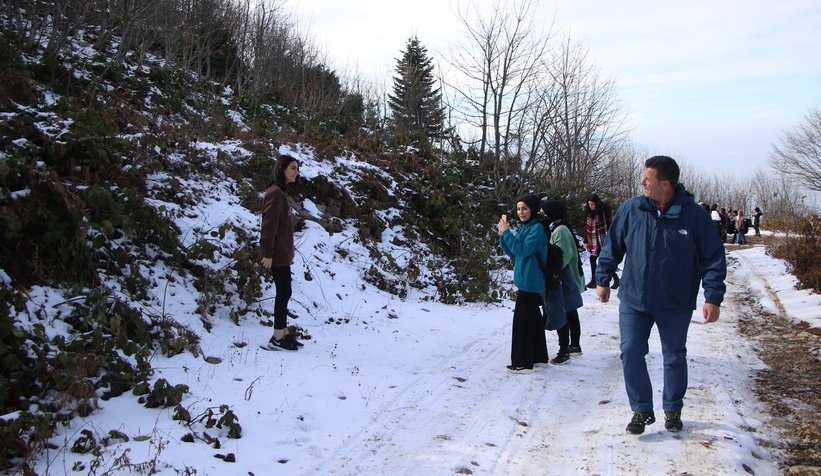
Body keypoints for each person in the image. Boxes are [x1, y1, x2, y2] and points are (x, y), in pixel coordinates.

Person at [595, 156, 726, 435]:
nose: (642, 181)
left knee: (674, 356)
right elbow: (612, 246)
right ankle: (641, 410)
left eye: (648, 178)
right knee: (630, 352)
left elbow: (713, 258)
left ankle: (673, 408)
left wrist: (712, 297)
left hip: (674, 303)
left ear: (665, 184)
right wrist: (602, 278)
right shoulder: (632, 209)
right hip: (634, 300)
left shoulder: (694, 216)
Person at [498, 194, 549, 374]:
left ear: (533, 209)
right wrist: (503, 236)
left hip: (531, 281)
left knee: (522, 323)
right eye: (519, 209)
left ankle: (523, 361)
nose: (521, 212)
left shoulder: (536, 229)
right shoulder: (524, 228)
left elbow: (523, 249)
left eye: (525, 208)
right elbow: (514, 253)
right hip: (526, 281)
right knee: (532, 320)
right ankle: (539, 356)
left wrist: (507, 234)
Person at [260, 154, 303, 351]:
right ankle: (277, 337)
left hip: (281, 253)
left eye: (297, 168)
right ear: (282, 169)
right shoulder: (275, 193)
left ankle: (283, 332)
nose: (296, 171)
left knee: (285, 292)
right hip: (276, 254)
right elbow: (268, 226)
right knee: (283, 292)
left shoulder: (279, 192)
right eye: (293, 168)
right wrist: (267, 253)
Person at [541, 199, 585, 363]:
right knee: (570, 311)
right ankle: (574, 345)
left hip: (566, 279)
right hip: (568, 277)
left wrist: (551, 270)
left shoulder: (559, 230)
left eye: (545, 211)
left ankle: (567, 348)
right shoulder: (560, 227)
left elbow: (562, 257)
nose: (542, 214)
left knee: (566, 312)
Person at [584, 193, 620, 290]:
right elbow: (587, 229)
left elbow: (609, 227)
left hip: (604, 240)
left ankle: (614, 279)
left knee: (603, 260)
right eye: (589, 204)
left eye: (592, 204)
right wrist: (586, 240)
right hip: (594, 240)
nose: (591, 206)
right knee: (595, 259)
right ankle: (597, 280)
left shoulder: (603, 213)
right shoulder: (589, 214)